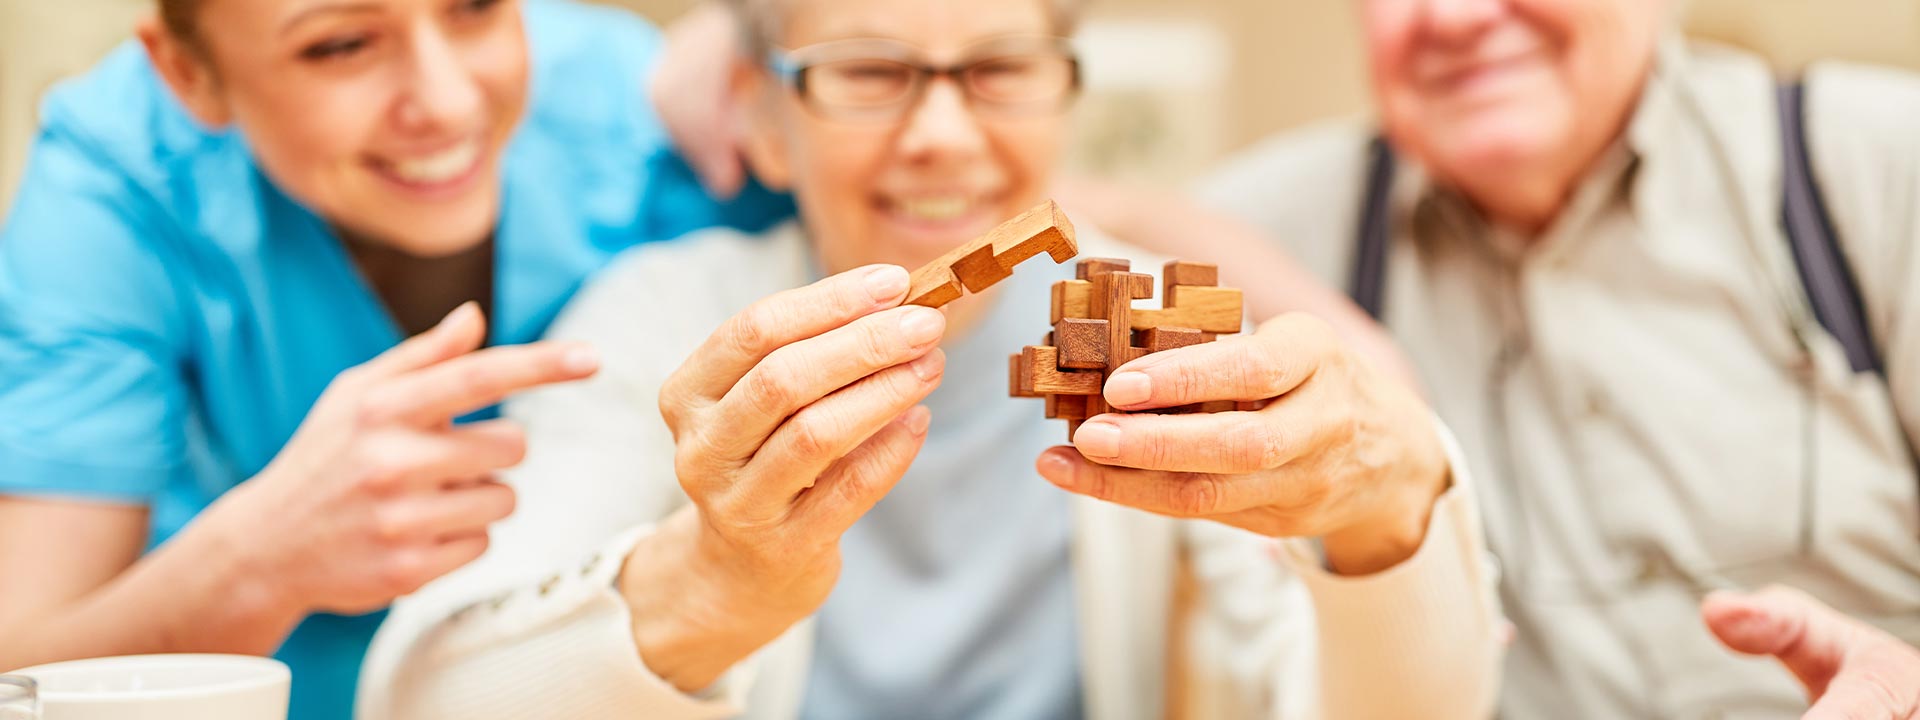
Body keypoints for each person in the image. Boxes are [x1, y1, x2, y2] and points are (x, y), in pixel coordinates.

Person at [357, 0, 1504, 717]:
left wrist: (1390, 509)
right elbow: (426, 697)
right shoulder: (665, 319)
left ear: (1065, 96)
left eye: (1001, 68)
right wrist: (717, 581)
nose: (944, 135)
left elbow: (1362, 701)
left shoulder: (1142, 329)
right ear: (761, 117)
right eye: (868, 71)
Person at [0, 0, 789, 716]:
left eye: (476, 8)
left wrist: (766, 43)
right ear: (185, 71)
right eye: (341, 46)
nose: (446, 101)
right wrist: (255, 563)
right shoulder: (115, 192)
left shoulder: (647, 108)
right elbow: (21, 672)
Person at [1164, 0, 1920, 715]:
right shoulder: (1279, 228)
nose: (1454, 17)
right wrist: (1339, 330)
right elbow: (1065, 195)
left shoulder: (1878, 167)